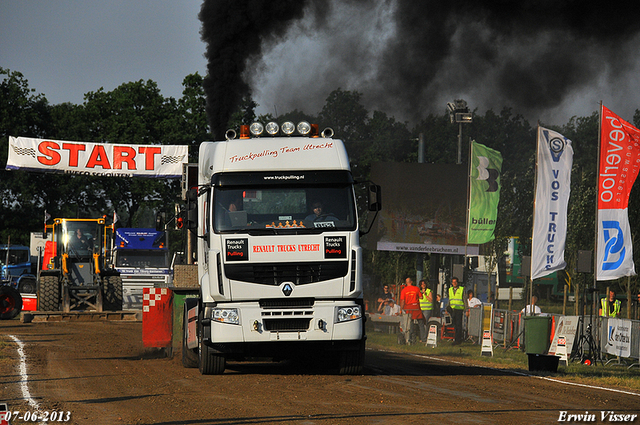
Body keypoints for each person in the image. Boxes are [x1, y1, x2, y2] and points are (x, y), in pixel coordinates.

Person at [400, 277, 423, 343]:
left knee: (410, 323)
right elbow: (421, 297)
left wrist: (401, 309)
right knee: (420, 323)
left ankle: (410, 338)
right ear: (411, 282)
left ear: (406, 283)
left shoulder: (404, 290)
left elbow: (403, 301)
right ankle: (423, 338)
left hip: (408, 308)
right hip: (416, 307)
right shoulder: (416, 288)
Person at [448, 277, 465, 345]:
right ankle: (455, 338)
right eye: (453, 282)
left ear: (457, 282)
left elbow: (464, 298)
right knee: (454, 324)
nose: (454, 283)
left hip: (459, 309)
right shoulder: (450, 289)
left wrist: (466, 309)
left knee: (458, 325)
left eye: (455, 282)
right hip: (452, 309)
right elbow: (450, 299)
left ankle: (458, 340)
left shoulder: (461, 289)